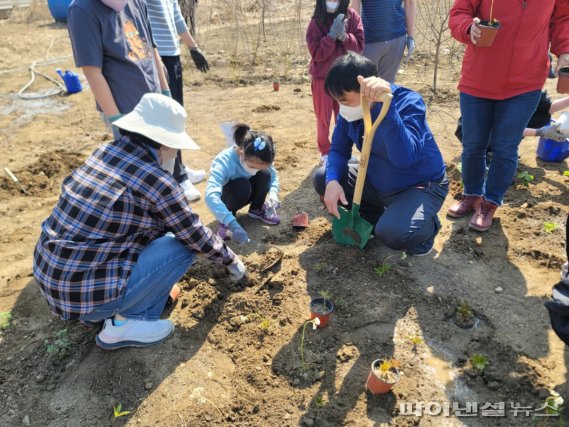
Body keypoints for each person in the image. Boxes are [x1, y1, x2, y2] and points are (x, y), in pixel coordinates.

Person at [33, 94, 247, 350]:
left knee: (157, 233)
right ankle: (127, 323)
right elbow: (194, 234)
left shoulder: (104, 152)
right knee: (179, 247)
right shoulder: (158, 182)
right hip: (86, 296)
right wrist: (232, 261)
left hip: (55, 281)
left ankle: (109, 308)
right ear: (166, 144)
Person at [447, 0, 569, 232]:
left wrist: (564, 50)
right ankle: (471, 193)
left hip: (526, 81)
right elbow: (460, 12)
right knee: (473, 144)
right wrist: (467, 28)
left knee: (505, 146)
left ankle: (490, 202)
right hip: (478, 77)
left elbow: (563, 18)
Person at [67, 0, 204, 203]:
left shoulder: (135, 2)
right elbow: (92, 72)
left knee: (164, 165)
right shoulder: (82, 10)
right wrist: (116, 119)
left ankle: (169, 206)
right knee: (140, 175)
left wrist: (165, 91)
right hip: (126, 110)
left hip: (154, 100)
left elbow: (152, 48)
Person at [313, 52, 448, 256]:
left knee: (393, 234)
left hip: (418, 185)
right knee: (323, 177)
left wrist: (386, 110)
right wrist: (332, 181)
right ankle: (375, 215)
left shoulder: (408, 103)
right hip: (378, 178)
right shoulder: (350, 113)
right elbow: (339, 150)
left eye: (345, 101)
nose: (341, 107)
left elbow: (404, 159)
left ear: (366, 91)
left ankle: (426, 227)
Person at [147, 0, 210, 200]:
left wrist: (192, 47)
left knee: (176, 115)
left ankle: (179, 165)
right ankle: (176, 177)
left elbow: (176, 16)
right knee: (167, 119)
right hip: (155, 57)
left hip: (172, 54)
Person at [306, 0, 364, 165]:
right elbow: (317, 54)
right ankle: (325, 152)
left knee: (344, 116)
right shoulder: (317, 20)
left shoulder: (352, 16)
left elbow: (359, 46)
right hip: (322, 79)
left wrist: (345, 37)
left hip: (344, 77)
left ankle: (343, 151)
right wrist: (330, 37)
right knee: (323, 117)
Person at [205, 124, 280, 244]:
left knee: (265, 174)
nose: (255, 170)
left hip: (247, 191)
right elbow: (210, 196)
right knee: (241, 185)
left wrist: (273, 194)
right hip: (227, 198)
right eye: (252, 167)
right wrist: (231, 223)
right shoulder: (224, 161)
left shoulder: (262, 156)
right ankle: (227, 223)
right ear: (241, 151)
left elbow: (273, 174)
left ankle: (256, 209)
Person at [351, 0, 417, 83]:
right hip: (369, 42)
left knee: (388, 85)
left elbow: (410, 3)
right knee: (365, 84)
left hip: (397, 40)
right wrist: (356, 38)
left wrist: (411, 37)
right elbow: (355, 7)